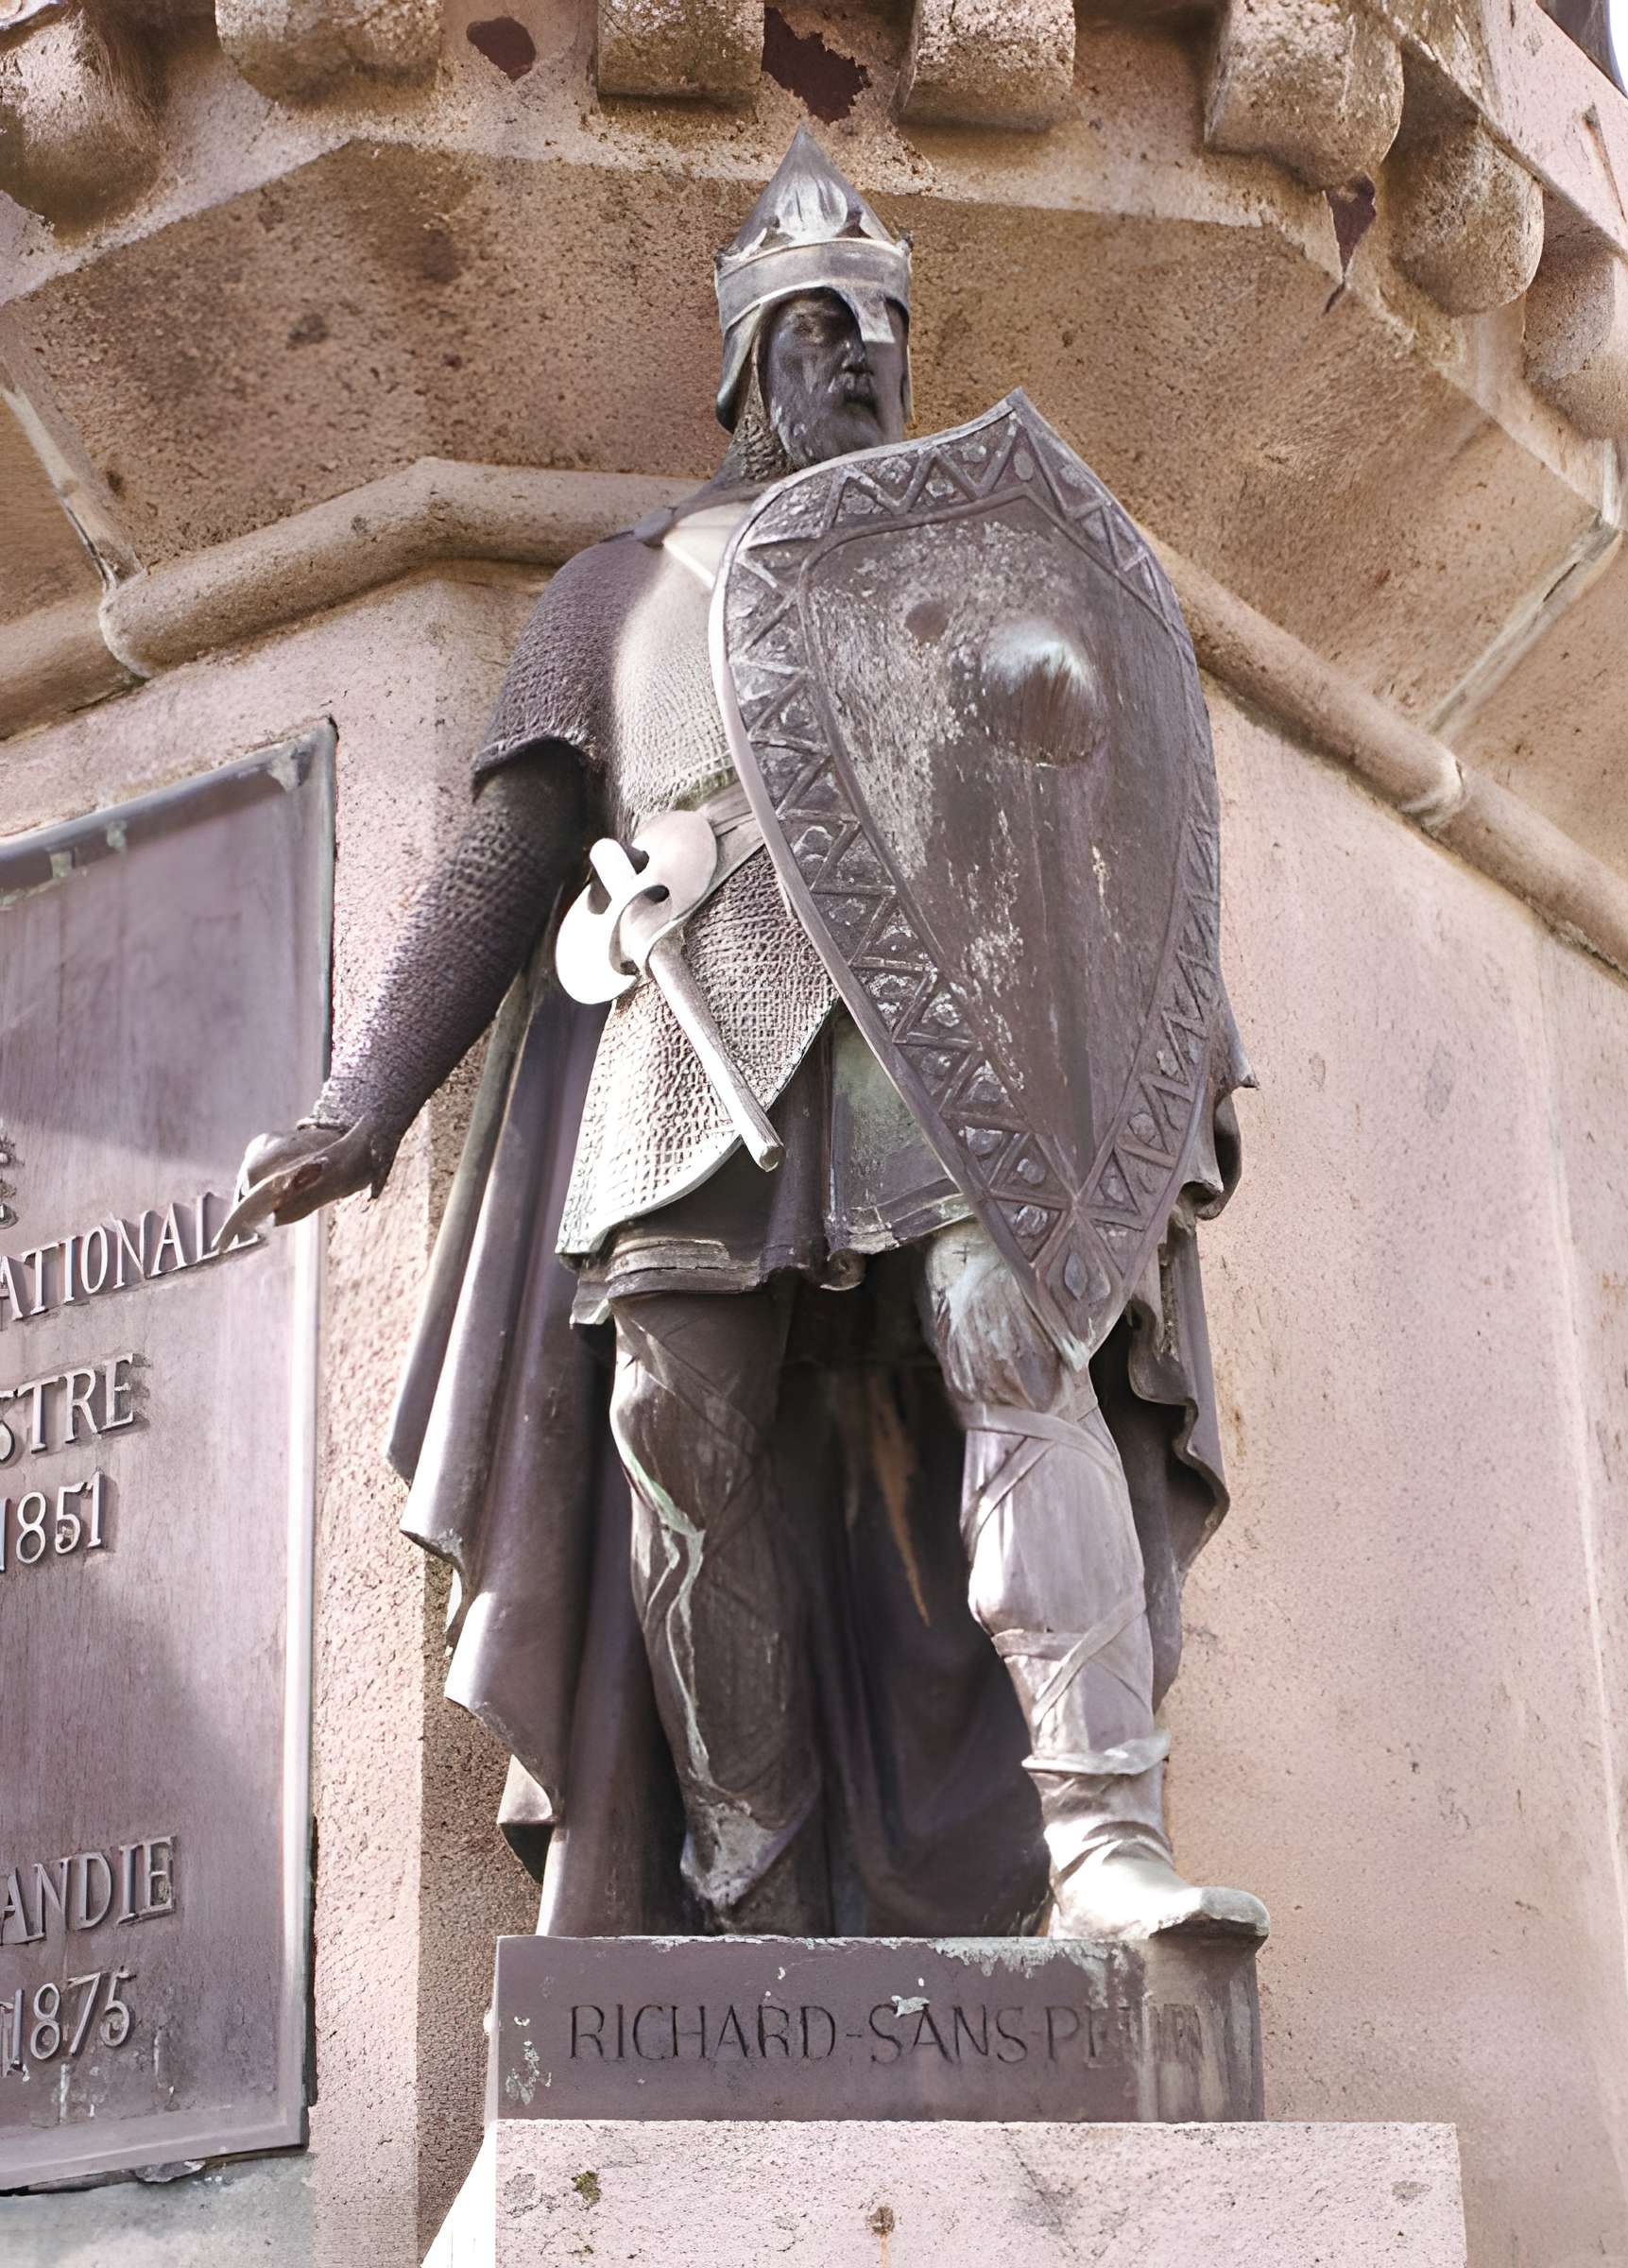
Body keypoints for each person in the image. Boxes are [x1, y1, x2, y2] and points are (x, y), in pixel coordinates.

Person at [231, 128, 1267, 1946]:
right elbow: (507, 854)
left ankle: (1102, 1837)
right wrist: (359, 1100)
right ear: (743, 364)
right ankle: (747, 1874)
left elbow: (1100, 822)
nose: (859, 352)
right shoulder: (613, 592)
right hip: (692, 1036)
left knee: (1005, 1329)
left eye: (881, 323)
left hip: (940, 1031)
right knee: (673, 1417)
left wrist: (1176, 1045)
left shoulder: (978, 561)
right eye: (814, 324)